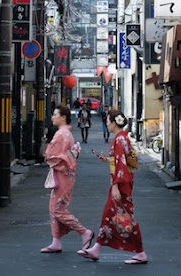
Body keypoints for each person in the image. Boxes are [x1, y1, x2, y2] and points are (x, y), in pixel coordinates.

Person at [77, 109, 148, 265]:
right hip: (122, 182)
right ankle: (96, 248)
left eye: (108, 121)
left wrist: (116, 186)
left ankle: (141, 253)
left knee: (128, 218)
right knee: (108, 215)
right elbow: (123, 160)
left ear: (114, 123)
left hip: (120, 185)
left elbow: (121, 164)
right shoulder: (123, 138)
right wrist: (107, 159)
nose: (106, 123)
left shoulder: (119, 140)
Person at [41, 104, 94, 253]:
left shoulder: (62, 134)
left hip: (62, 174)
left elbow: (52, 154)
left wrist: (48, 155)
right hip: (64, 174)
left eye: (55, 115)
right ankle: (56, 240)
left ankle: (84, 232)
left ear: (63, 117)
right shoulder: (65, 134)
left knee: (58, 209)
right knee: (55, 208)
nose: (52, 117)